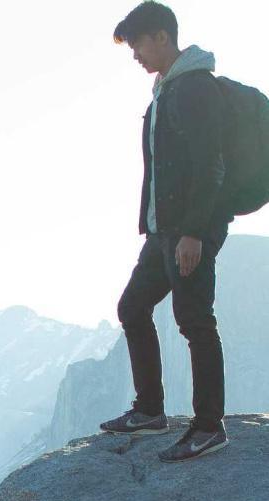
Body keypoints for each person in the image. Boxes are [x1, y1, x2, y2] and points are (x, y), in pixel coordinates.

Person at [99, 1, 234, 462]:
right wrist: (157, 227)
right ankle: (150, 411)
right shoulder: (166, 90)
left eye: (137, 44)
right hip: (163, 232)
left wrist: (194, 232)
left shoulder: (195, 87)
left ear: (161, 36)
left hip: (189, 230)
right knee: (132, 307)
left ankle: (209, 427)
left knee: (195, 321)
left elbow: (210, 165)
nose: (135, 54)